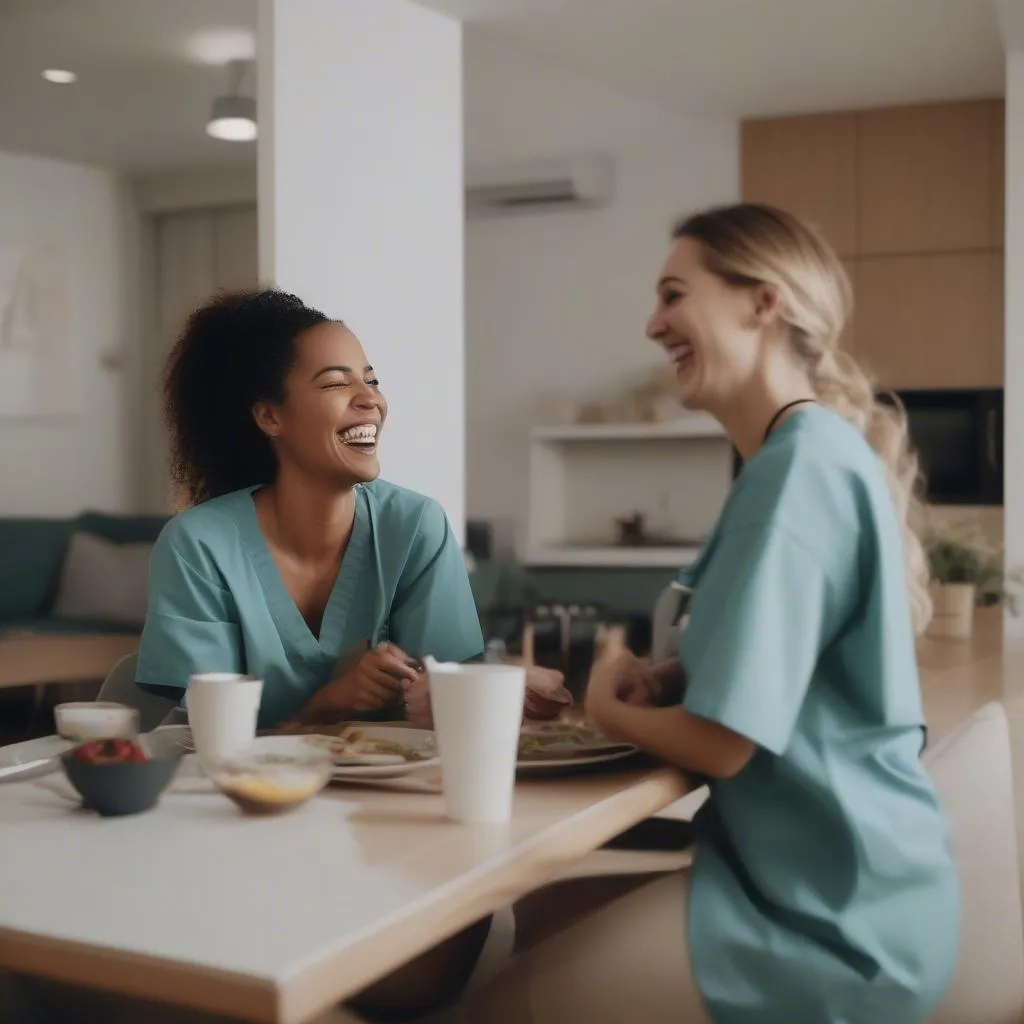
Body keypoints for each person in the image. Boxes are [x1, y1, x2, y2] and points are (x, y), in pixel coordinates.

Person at [463, 203, 959, 1024]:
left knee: (497, 1001)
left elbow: (726, 746)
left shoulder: (792, 475)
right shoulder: (807, 455)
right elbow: (783, 683)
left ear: (762, 303)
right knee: (546, 909)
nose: (652, 324)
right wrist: (673, 676)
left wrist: (602, 703)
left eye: (673, 294)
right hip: (846, 882)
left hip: (833, 925)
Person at [135, 288, 568, 729]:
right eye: (336, 383)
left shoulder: (416, 526)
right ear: (270, 417)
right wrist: (324, 707)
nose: (371, 400)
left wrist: (506, 683)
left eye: (372, 380)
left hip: (398, 793)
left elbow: (445, 703)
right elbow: (206, 744)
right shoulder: (199, 546)